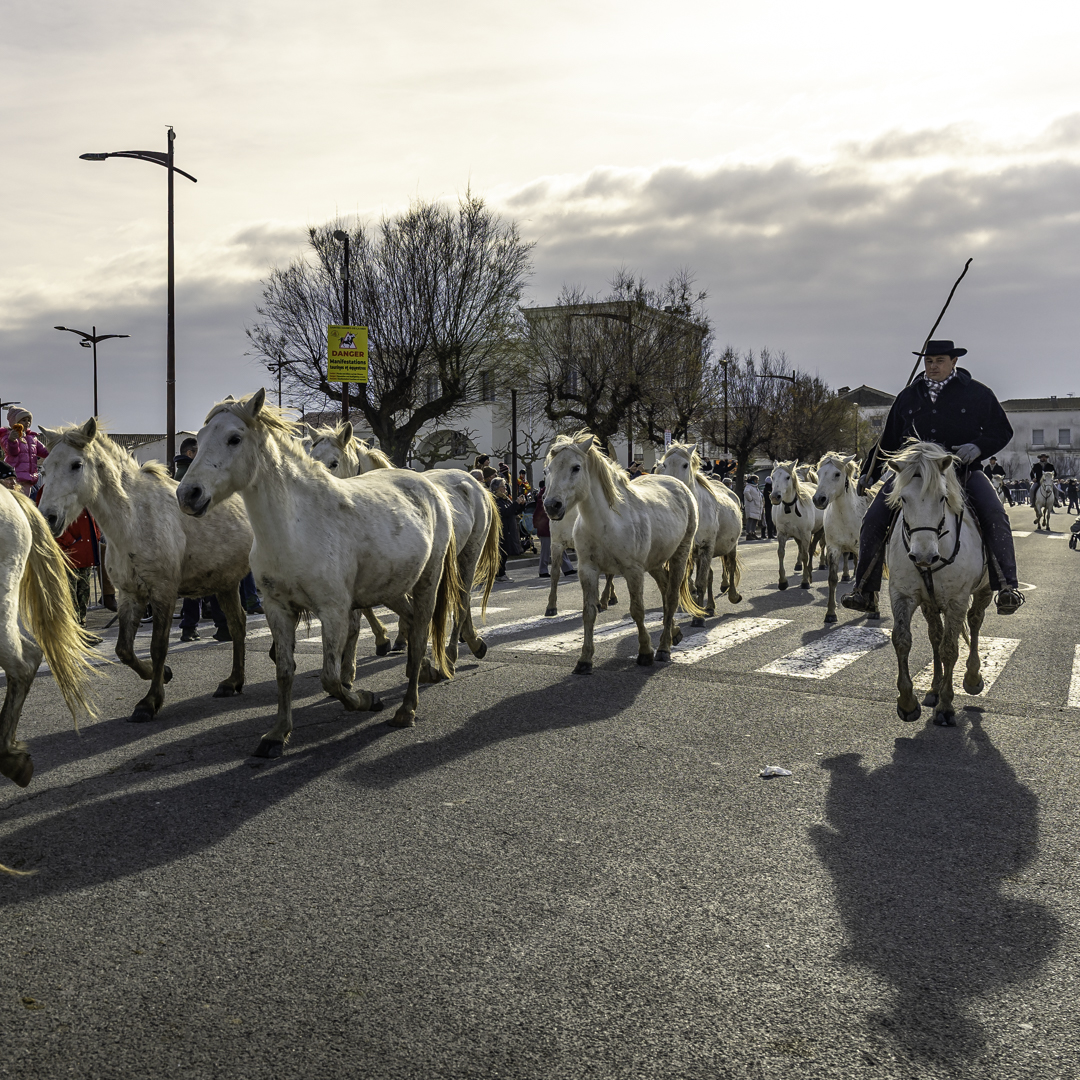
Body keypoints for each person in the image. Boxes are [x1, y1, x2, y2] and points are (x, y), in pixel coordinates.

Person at [842, 340, 1023, 615]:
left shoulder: (977, 393)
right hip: (912, 474)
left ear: (954, 362)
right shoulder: (908, 396)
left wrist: (978, 447)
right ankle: (864, 590)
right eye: (929, 361)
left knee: (995, 515)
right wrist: (871, 471)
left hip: (961, 470)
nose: (933, 366)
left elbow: (1002, 430)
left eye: (939, 360)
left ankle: (1007, 587)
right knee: (874, 518)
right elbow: (888, 441)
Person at [55, 510, 104, 643]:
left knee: (83, 596)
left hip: (85, 554)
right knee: (71, 598)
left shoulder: (85, 499)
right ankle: (74, 635)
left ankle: (81, 632)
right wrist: (69, 540)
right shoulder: (56, 496)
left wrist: (96, 538)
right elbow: (50, 521)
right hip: (69, 556)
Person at [2, 406, 49, 495]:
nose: (27, 422)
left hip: (28, 477)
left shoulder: (32, 438)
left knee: (25, 500)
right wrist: (12, 441)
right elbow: (12, 452)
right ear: (15, 422)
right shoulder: (8, 435)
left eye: (28, 420)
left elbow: (45, 452)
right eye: (23, 420)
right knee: (15, 499)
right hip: (15, 477)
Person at [532, 479, 574, 578]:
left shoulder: (554, 490)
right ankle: (543, 570)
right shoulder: (545, 493)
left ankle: (567, 568)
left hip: (553, 525)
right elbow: (539, 510)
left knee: (560, 547)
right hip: (545, 526)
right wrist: (537, 524)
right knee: (546, 550)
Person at [490, 477, 520, 582]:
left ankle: (501, 573)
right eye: (503, 486)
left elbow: (512, 511)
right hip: (501, 529)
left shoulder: (505, 498)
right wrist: (516, 504)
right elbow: (504, 512)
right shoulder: (495, 499)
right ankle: (500, 574)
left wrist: (520, 505)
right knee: (502, 552)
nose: (505, 489)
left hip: (508, 529)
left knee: (505, 552)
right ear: (497, 488)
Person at [742, 475, 764, 540]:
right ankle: (748, 533)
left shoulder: (755, 487)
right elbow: (746, 492)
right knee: (750, 520)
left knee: (755, 520)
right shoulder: (749, 486)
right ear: (752, 480)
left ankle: (753, 533)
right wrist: (750, 499)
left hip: (756, 506)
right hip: (751, 506)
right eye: (755, 480)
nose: (757, 481)